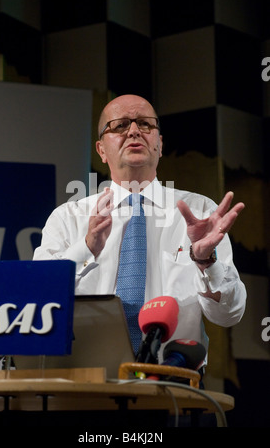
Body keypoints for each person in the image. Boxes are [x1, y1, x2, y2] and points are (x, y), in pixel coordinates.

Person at [33, 94, 246, 368]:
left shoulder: (200, 212)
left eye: (145, 124)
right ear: (100, 150)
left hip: (173, 384)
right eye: (120, 125)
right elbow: (38, 299)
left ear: (159, 144)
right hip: (87, 384)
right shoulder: (68, 217)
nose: (134, 131)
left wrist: (206, 262)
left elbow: (229, 315)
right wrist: (86, 249)